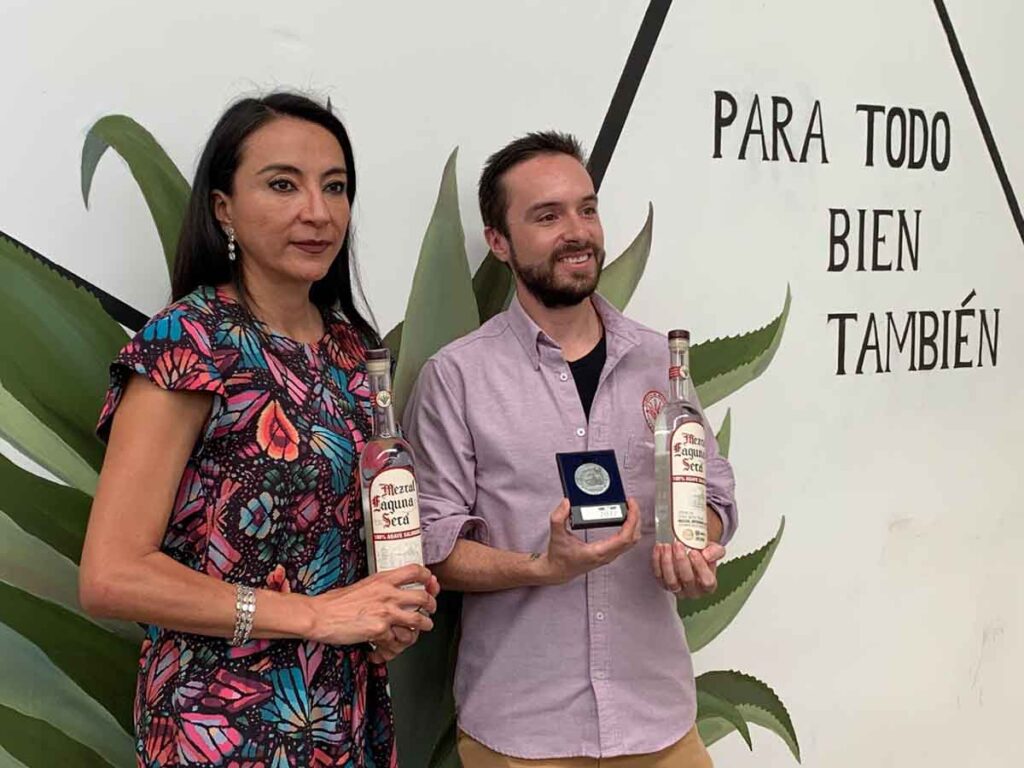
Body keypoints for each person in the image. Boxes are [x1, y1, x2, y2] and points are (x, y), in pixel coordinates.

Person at [79, 92, 438, 767]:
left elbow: (340, 549)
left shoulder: (350, 351)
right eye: (283, 184)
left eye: (335, 187)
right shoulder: (188, 341)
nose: (318, 212)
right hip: (220, 726)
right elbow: (112, 574)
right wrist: (316, 615)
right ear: (224, 209)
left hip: (342, 717)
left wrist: (386, 610)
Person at [403, 132, 737, 767]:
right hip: (521, 734)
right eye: (547, 216)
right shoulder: (458, 376)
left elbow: (713, 491)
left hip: (660, 722)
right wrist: (540, 567)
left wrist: (695, 542)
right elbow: (431, 544)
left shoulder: (659, 361)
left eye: (587, 209)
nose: (577, 232)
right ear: (498, 241)